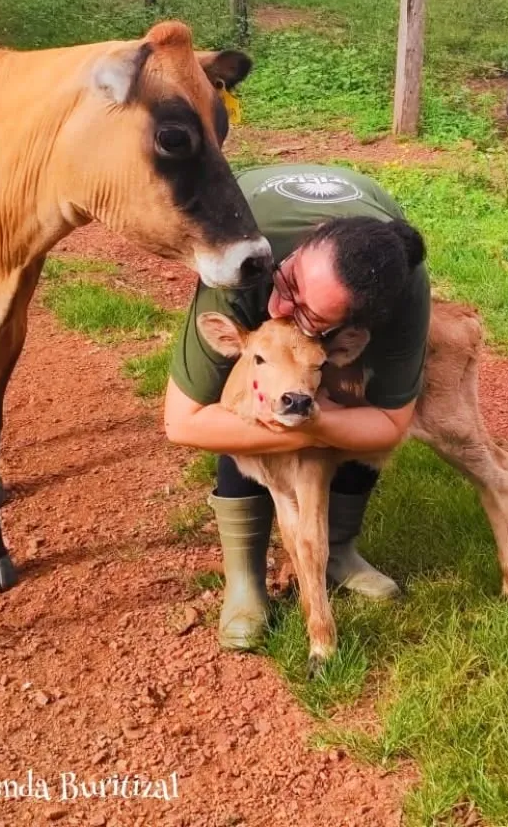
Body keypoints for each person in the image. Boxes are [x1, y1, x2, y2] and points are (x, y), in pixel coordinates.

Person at [163, 163, 430, 650]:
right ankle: (244, 577)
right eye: (291, 285)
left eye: (308, 314)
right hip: (255, 245)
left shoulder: (404, 300)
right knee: (240, 391)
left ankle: (338, 550)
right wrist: (281, 417)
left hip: (363, 283)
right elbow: (183, 423)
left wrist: (317, 418)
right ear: (308, 242)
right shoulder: (243, 264)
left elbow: (389, 423)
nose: (284, 308)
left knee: (358, 391)